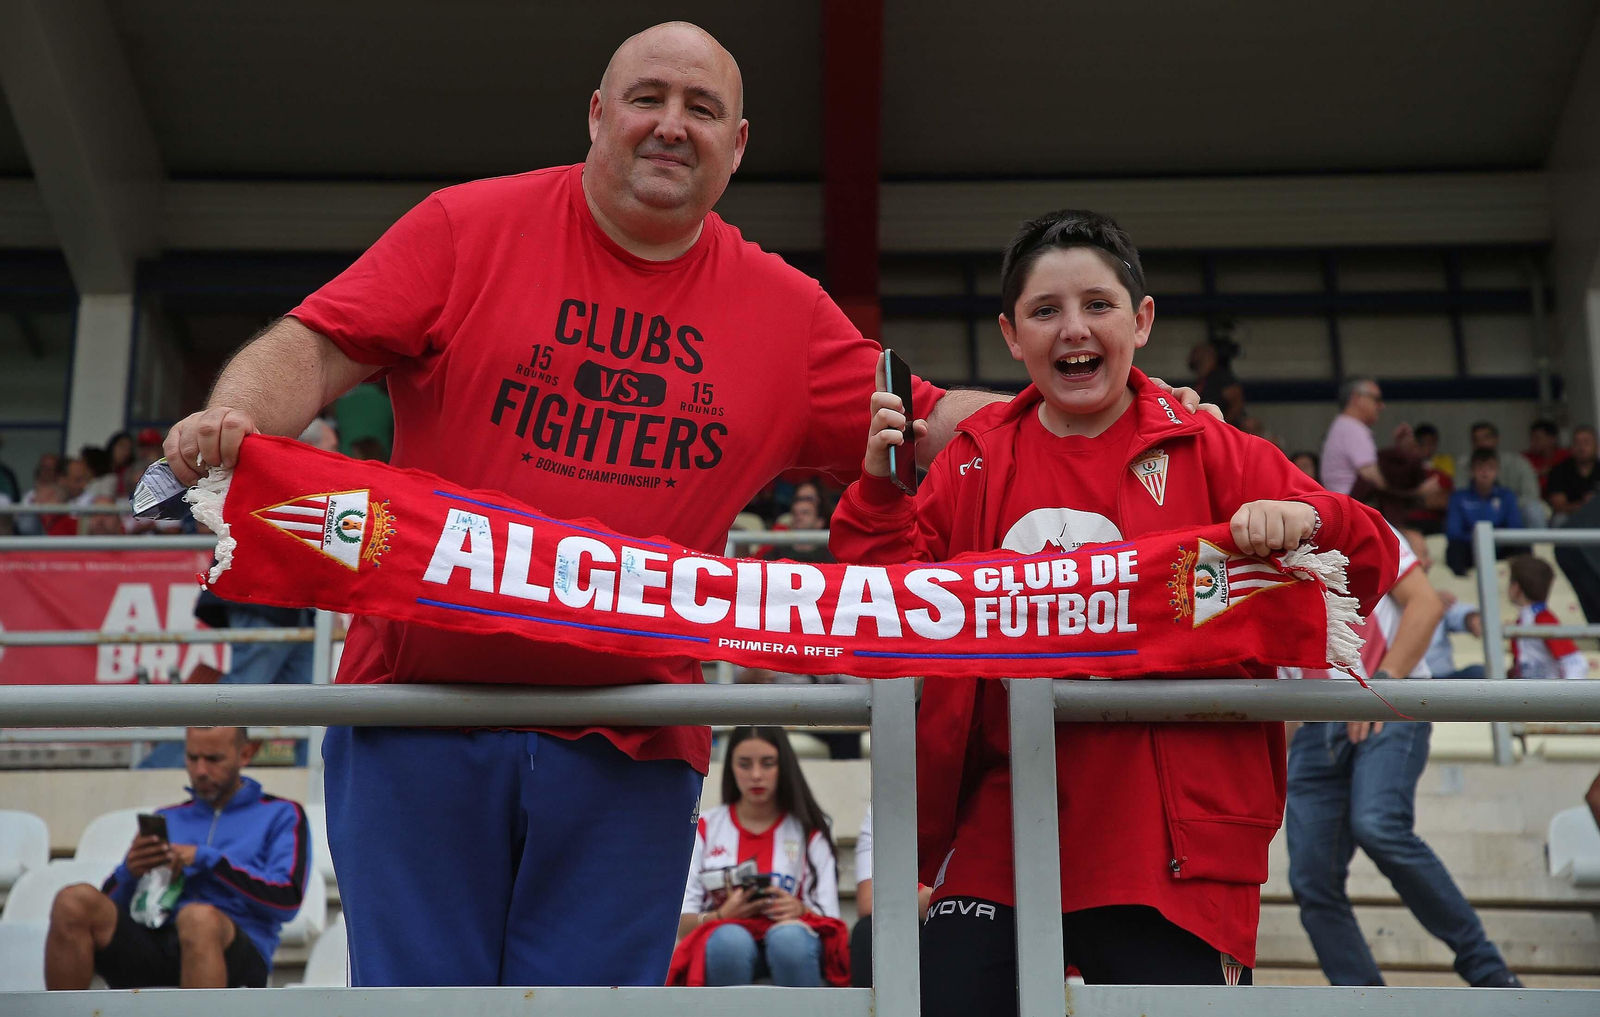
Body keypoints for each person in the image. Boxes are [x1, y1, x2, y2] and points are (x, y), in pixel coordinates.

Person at [158, 23, 1228, 989]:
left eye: (701, 110)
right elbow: (315, 343)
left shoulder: (781, 311)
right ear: (596, 116)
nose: (671, 126)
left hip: (627, 740)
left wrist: (1117, 399)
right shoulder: (465, 227)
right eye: (648, 98)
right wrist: (232, 418)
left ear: (738, 145)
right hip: (421, 718)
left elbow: (944, 420)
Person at [829, 208, 1397, 1007]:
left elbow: (1369, 554)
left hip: (1170, 841)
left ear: (1142, 318)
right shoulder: (975, 458)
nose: (1074, 329)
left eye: (1097, 304)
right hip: (1005, 820)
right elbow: (880, 609)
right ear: (1010, 334)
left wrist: (1307, 521)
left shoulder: (1211, 445)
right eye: (1045, 311)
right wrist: (879, 493)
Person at [1287, 525, 1523, 988]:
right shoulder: (1244, 549)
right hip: (1312, 719)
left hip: (1387, 697)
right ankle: (1365, 1000)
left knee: (1378, 825)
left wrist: (1383, 685)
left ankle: (1490, 974)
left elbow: (1428, 603)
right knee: (1311, 879)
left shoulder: (1353, 524)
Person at [44, 727, 309, 990]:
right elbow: (112, 906)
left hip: (238, 948)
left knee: (197, 919)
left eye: (214, 759)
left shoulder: (282, 814)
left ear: (246, 754)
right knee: (73, 901)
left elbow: (287, 900)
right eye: (192, 758)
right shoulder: (167, 816)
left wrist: (209, 861)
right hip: (158, 940)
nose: (201, 771)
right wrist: (129, 872)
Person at [677, 727, 840, 987]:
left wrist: (799, 910)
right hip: (725, 945)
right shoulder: (705, 828)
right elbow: (683, 924)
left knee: (789, 942)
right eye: (744, 764)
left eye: (768, 763)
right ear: (730, 768)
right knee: (729, 942)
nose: (756, 775)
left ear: (783, 766)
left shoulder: (810, 830)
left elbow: (832, 921)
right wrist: (721, 915)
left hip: (794, 944)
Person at [1506, 555, 1588, 679]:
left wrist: (1566, 695)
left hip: (1547, 694)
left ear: (1516, 588)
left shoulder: (1543, 620)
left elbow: (1576, 663)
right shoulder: (1523, 620)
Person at [1444, 448, 1524, 576]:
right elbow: (1453, 532)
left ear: (1497, 471)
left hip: (1500, 546)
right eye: (1480, 468)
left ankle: (1516, 579)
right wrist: (1480, 538)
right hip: (1470, 547)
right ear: (1472, 471)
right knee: (1454, 549)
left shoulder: (1507, 496)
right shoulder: (1458, 497)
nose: (1485, 473)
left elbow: (1515, 528)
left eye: (1490, 468)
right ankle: (1461, 583)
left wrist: (1492, 538)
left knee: (1523, 547)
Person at [1469, 421, 1547, 529]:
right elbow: (1462, 496)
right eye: (1476, 440)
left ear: (1496, 439)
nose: (1482, 443)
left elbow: (1531, 495)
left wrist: (1505, 505)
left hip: (1515, 509)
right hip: (1476, 510)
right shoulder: (1464, 464)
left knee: (1534, 509)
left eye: (1486, 438)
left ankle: (1539, 545)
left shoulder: (1519, 462)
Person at [1319, 378, 1385, 495]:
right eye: (1377, 399)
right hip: (1351, 506)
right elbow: (1372, 477)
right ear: (1357, 398)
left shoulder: (1343, 425)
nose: (1381, 406)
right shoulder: (1353, 429)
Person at [1188, 335, 1244, 424]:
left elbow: (1236, 403)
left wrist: (1223, 425)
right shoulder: (1201, 380)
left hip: (1221, 428)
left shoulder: (1222, 377)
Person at [1546, 425, 1598, 520]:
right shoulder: (1559, 470)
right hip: (1571, 517)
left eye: (1587, 443)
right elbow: (1559, 507)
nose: (1582, 447)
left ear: (1596, 446)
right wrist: (1586, 504)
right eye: (1577, 443)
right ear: (1571, 446)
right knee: (1559, 519)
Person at [1525, 418, 1567, 492]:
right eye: (1531, 438)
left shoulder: (1566, 456)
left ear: (1552, 439)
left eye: (1537, 439)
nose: (1533, 442)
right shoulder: (1525, 459)